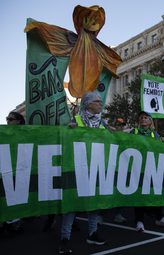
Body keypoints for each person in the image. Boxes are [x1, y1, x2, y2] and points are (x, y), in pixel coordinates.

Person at [59, 91, 107, 254]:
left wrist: (113, 134)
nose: (101, 104)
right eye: (98, 102)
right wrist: (69, 129)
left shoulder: (102, 123)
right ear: (88, 104)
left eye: (101, 102)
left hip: (95, 168)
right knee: (72, 205)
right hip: (77, 168)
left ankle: (93, 233)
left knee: (93, 204)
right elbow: (64, 138)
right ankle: (65, 238)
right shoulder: (76, 120)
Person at [129, 111, 164, 231]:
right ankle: (139, 221)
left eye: (146, 118)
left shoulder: (154, 134)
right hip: (139, 168)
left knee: (156, 193)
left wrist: (162, 142)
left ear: (150, 121)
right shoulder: (134, 132)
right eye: (141, 118)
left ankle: (159, 218)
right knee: (140, 195)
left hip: (151, 168)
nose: (143, 119)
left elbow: (158, 149)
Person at [97, 118, 127, 225]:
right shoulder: (109, 134)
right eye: (118, 125)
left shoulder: (126, 138)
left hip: (121, 168)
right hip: (109, 167)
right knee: (106, 191)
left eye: (122, 125)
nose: (121, 127)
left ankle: (118, 214)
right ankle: (100, 215)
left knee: (120, 192)